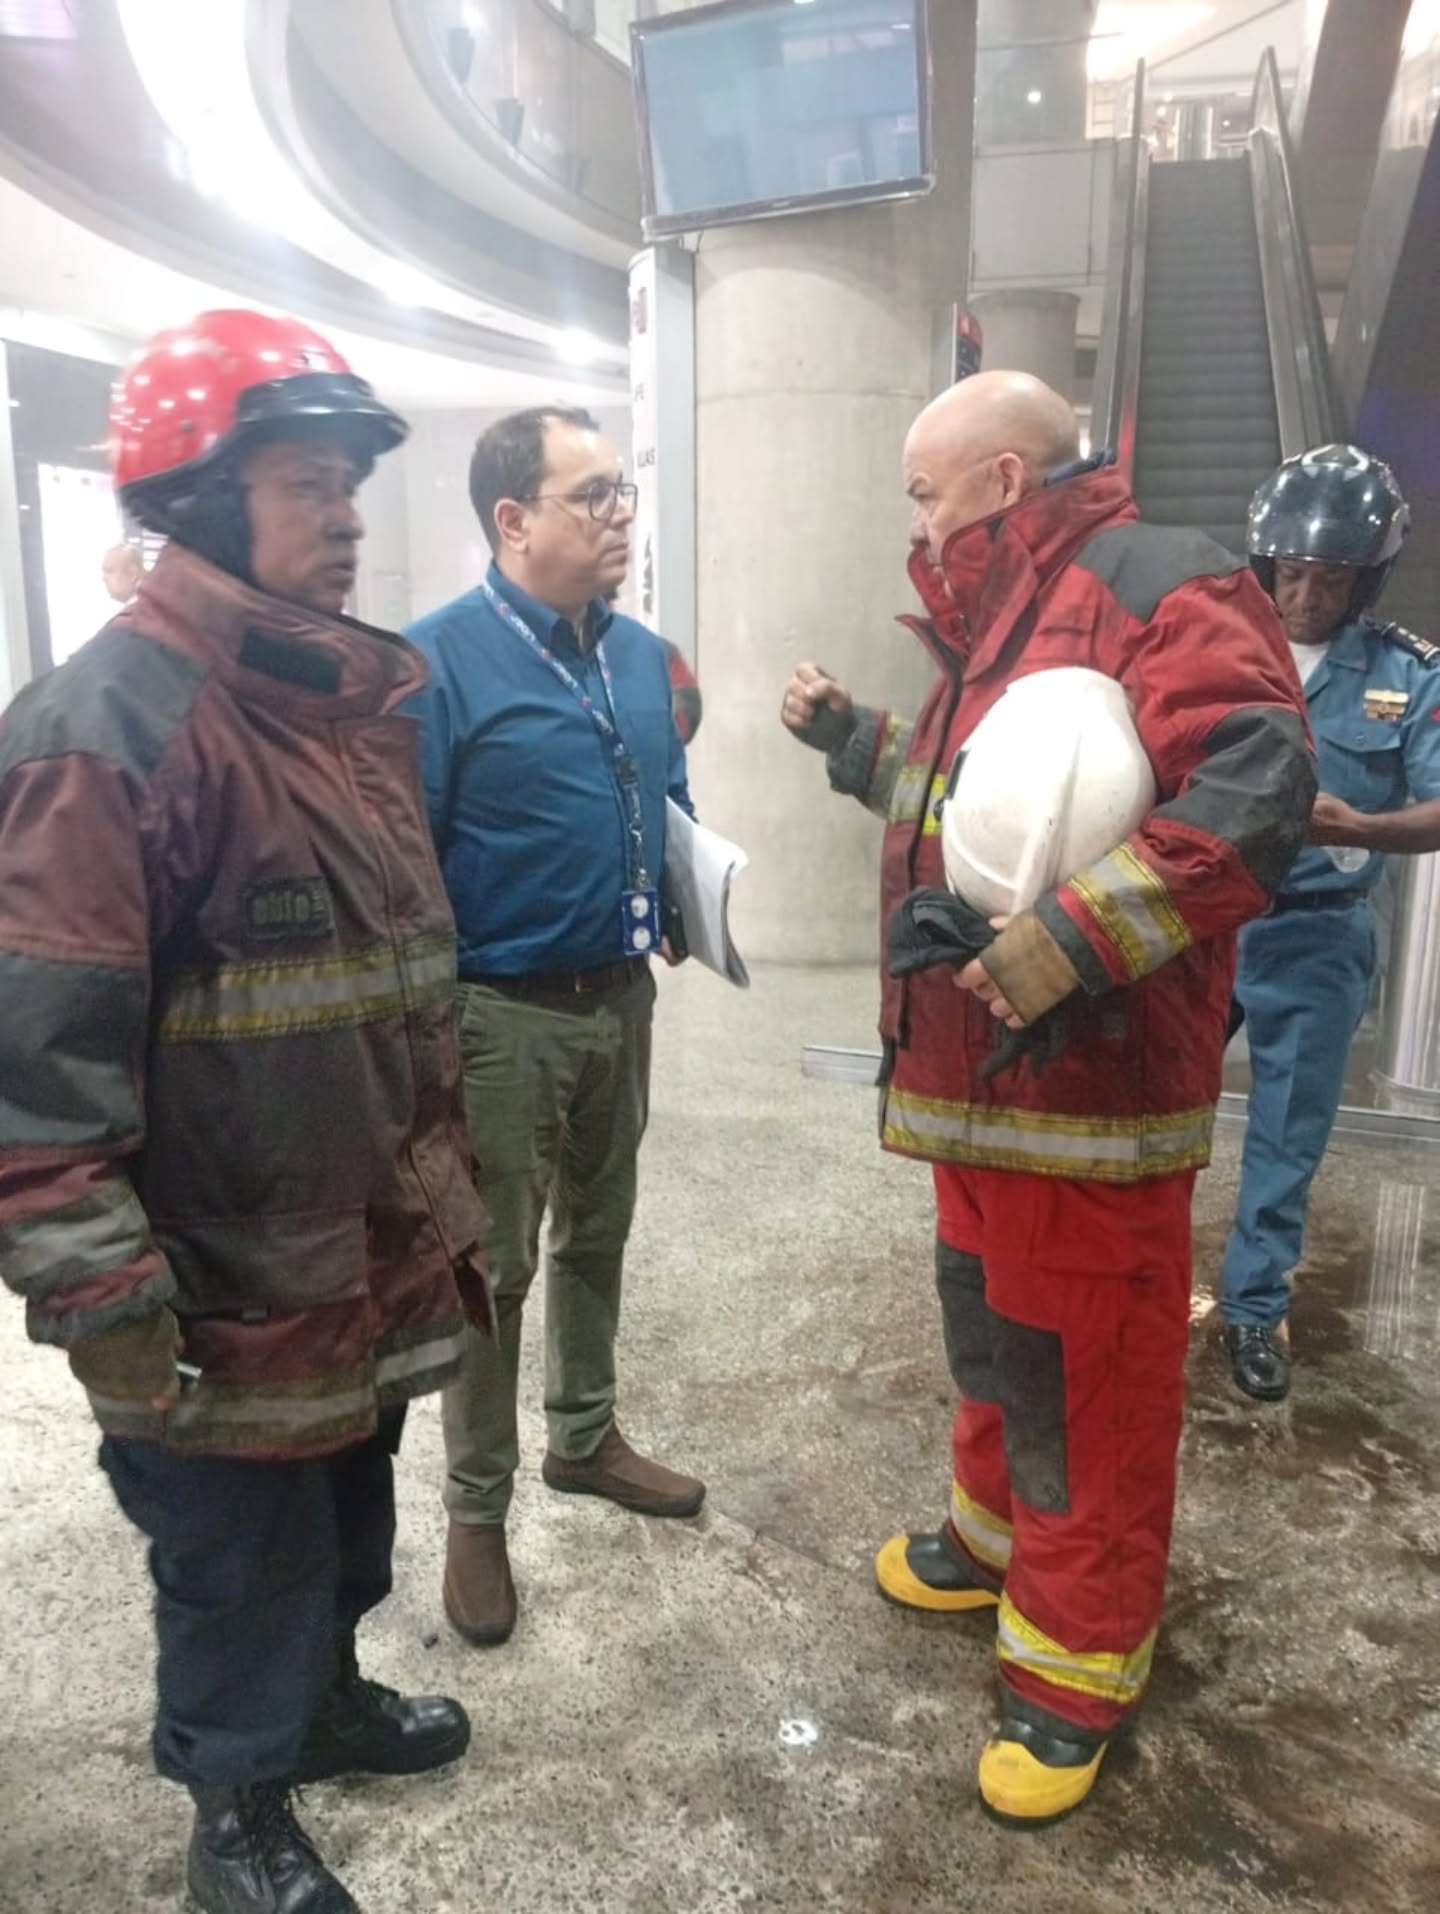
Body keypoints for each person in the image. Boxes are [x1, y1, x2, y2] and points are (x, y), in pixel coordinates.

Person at [0, 309, 491, 1914]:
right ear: (203, 499)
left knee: (343, 1502)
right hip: (215, 1275)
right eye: (303, 484)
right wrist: (95, 1281)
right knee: (234, 1552)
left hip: (352, 1239)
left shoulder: (337, 710)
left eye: (347, 485)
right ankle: (236, 1812)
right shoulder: (107, 727)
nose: (345, 516)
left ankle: (323, 1702)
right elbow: (40, 1052)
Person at [781, 371, 1314, 1826]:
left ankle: (1078, 1666)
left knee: (1090, 1382)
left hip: (1088, 1108)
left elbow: (1253, 791)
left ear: (1003, 479)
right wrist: (859, 746)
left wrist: (1072, 940)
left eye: (923, 490)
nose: (914, 518)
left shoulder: (1157, 585)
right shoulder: (1000, 618)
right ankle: (991, 1537)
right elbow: (988, 819)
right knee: (992, 1335)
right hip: (984, 1094)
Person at [406, 404, 704, 1653]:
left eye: (623, 490)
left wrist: (684, 888)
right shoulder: (436, 665)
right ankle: (477, 1508)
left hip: (619, 999)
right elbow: (406, 864)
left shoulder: (639, 657)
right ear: (512, 520)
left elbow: (665, 796)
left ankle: (584, 1437)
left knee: (600, 1230)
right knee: (493, 1270)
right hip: (499, 1016)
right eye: (593, 496)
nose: (621, 515)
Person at [1219, 445, 1440, 1403]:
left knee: (1285, 1136)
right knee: (1147, 1104)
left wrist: (1365, 829)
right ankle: (1128, 1280)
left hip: (1316, 934)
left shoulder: (1407, 675)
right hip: (1202, 920)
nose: (1305, 597)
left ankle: (1252, 1309)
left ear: (1366, 580)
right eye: (1292, 573)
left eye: (1331, 579)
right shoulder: (1220, 648)